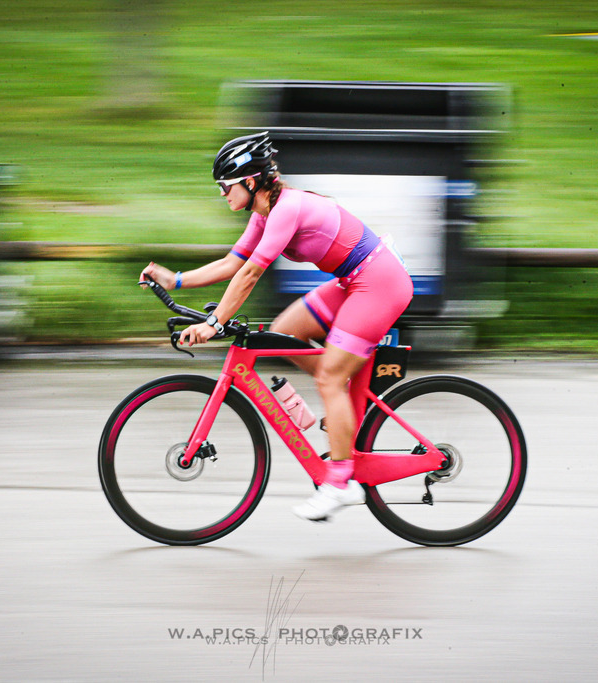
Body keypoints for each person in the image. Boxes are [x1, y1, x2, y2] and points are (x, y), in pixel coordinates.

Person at [140, 132, 413, 522]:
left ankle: (340, 484)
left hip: (378, 283)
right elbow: (232, 263)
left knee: (330, 380)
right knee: (287, 332)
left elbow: (251, 273)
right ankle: (340, 416)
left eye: (226, 185)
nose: (222, 193)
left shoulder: (287, 209)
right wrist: (175, 280)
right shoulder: (263, 213)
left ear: (250, 182)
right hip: (355, 280)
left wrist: (214, 324)